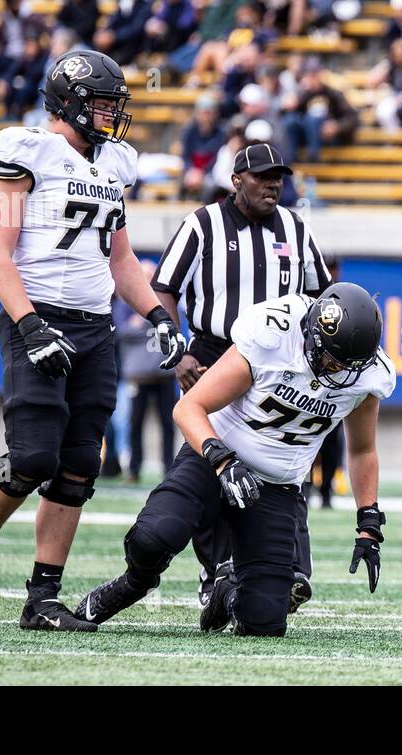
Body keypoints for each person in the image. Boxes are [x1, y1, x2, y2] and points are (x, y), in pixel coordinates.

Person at [0, 50, 187, 632]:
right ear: (70, 103)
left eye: (114, 105)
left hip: (94, 325)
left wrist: (156, 313)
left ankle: (42, 598)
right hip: (37, 314)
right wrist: (29, 325)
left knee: (80, 463)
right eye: (103, 104)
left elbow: (121, 257)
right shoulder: (22, 150)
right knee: (33, 456)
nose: (111, 116)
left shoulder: (114, 165)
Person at [76, 284, 395, 636]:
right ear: (312, 334)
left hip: (275, 486)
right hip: (214, 460)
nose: (338, 372)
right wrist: (223, 462)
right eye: (332, 360)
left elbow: (362, 449)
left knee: (263, 623)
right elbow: (189, 407)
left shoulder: (368, 375)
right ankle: (134, 583)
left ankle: (226, 592)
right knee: (153, 537)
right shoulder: (274, 336)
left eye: (347, 365)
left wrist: (369, 525)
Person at [111, 141, 332, 610]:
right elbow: (163, 290)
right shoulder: (202, 224)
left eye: (280, 176)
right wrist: (178, 351)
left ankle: (286, 566)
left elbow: (320, 297)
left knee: (280, 459)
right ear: (237, 180)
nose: (274, 184)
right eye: (263, 176)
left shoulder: (295, 227)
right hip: (216, 352)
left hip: (278, 363)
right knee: (214, 460)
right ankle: (216, 571)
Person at [115, 262, 179, 484]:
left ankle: (169, 468)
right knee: (134, 423)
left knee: (168, 424)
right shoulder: (126, 303)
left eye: (152, 275)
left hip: (164, 375)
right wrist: (143, 320)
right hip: (138, 376)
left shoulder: (165, 304)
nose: (149, 281)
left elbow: (176, 328)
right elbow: (120, 332)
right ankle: (133, 469)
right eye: (145, 275)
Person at [284, 58, 359, 162]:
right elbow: (289, 115)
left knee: (314, 119)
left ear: (321, 74)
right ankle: (290, 161)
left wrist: (337, 126)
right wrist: (293, 101)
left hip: (328, 137)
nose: (312, 78)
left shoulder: (333, 94)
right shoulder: (303, 95)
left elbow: (353, 119)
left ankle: (313, 159)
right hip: (307, 135)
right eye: (309, 75)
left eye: (314, 74)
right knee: (290, 121)